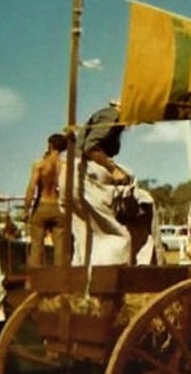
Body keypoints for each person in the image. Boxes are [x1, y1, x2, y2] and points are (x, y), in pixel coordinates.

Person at [72, 101, 133, 266]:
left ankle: (83, 279)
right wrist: (114, 170)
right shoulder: (113, 115)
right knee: (116, 235)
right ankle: (113, 274)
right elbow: (90, 147)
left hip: (76, 173)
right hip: (86, 173)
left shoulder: (108, 117)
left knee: (86, 237)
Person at [23, 133, 68, 267]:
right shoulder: (64, 166)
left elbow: (31, 188)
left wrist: (26, 210)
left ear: (50, 145)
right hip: (58, 207)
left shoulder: (40, 164)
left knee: (36, 246)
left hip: (41, 205)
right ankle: (60, 282)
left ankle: (34, 284)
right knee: (60, 248)